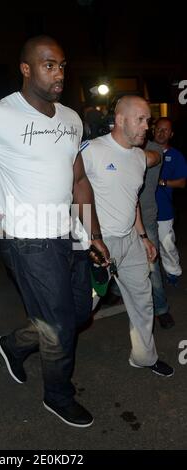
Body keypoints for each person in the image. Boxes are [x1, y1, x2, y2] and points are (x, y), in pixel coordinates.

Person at [0, 35, 109, 428]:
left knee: (78, 312)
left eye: (62, 65)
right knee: (61, 327)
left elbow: (79, 181)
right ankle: (57, 395)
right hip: (28, 240)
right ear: (25, 69)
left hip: (70, 234)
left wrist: (91, 234)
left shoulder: (71, 118)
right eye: (48, 65)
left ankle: (13, 344)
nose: (58, 73)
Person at [81, 95, 174, 377]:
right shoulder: (91, 151)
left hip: (130, 241)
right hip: (97, 242)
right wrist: (86, 241)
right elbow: (73, 196)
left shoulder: (138, 158)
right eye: (142, 119)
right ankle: (21, 343)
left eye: (149, 120)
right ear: (120, 120)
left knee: (143, 299)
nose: (148, 126)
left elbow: (131, 200)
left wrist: (143, 237)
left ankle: (144, 357)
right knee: (78, 309)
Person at [139, 139, 175, 329]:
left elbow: (150, 159)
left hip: (145, 217)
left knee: (152, 266)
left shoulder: (153, 149)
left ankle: (161, 308)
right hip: (118, 218)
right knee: (116, 259)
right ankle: (116, 291)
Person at [153, 117, 187, 286]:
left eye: (165, 130)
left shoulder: (176, 155)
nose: (161, 132)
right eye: (159, 129)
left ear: (171, 134)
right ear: (153, 130)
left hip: (164, 211)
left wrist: (163, 182)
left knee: (166, 244)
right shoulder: (140, 150)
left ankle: (173, 271)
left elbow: (182, 182)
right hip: (141, 210)